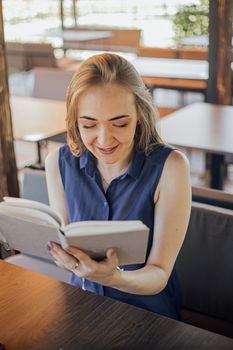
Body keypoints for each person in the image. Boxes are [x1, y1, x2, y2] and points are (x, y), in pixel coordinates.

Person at [45, 53, 191, 320]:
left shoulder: (171, 167)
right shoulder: (57, 163)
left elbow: (158, 274)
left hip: (147, 315)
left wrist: (112, 277)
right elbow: (66, 241)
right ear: (75, 121)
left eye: (120, 123)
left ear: (140, 115)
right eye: (88, 124)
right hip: (80, 306)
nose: (104, 140)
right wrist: (65, 258)